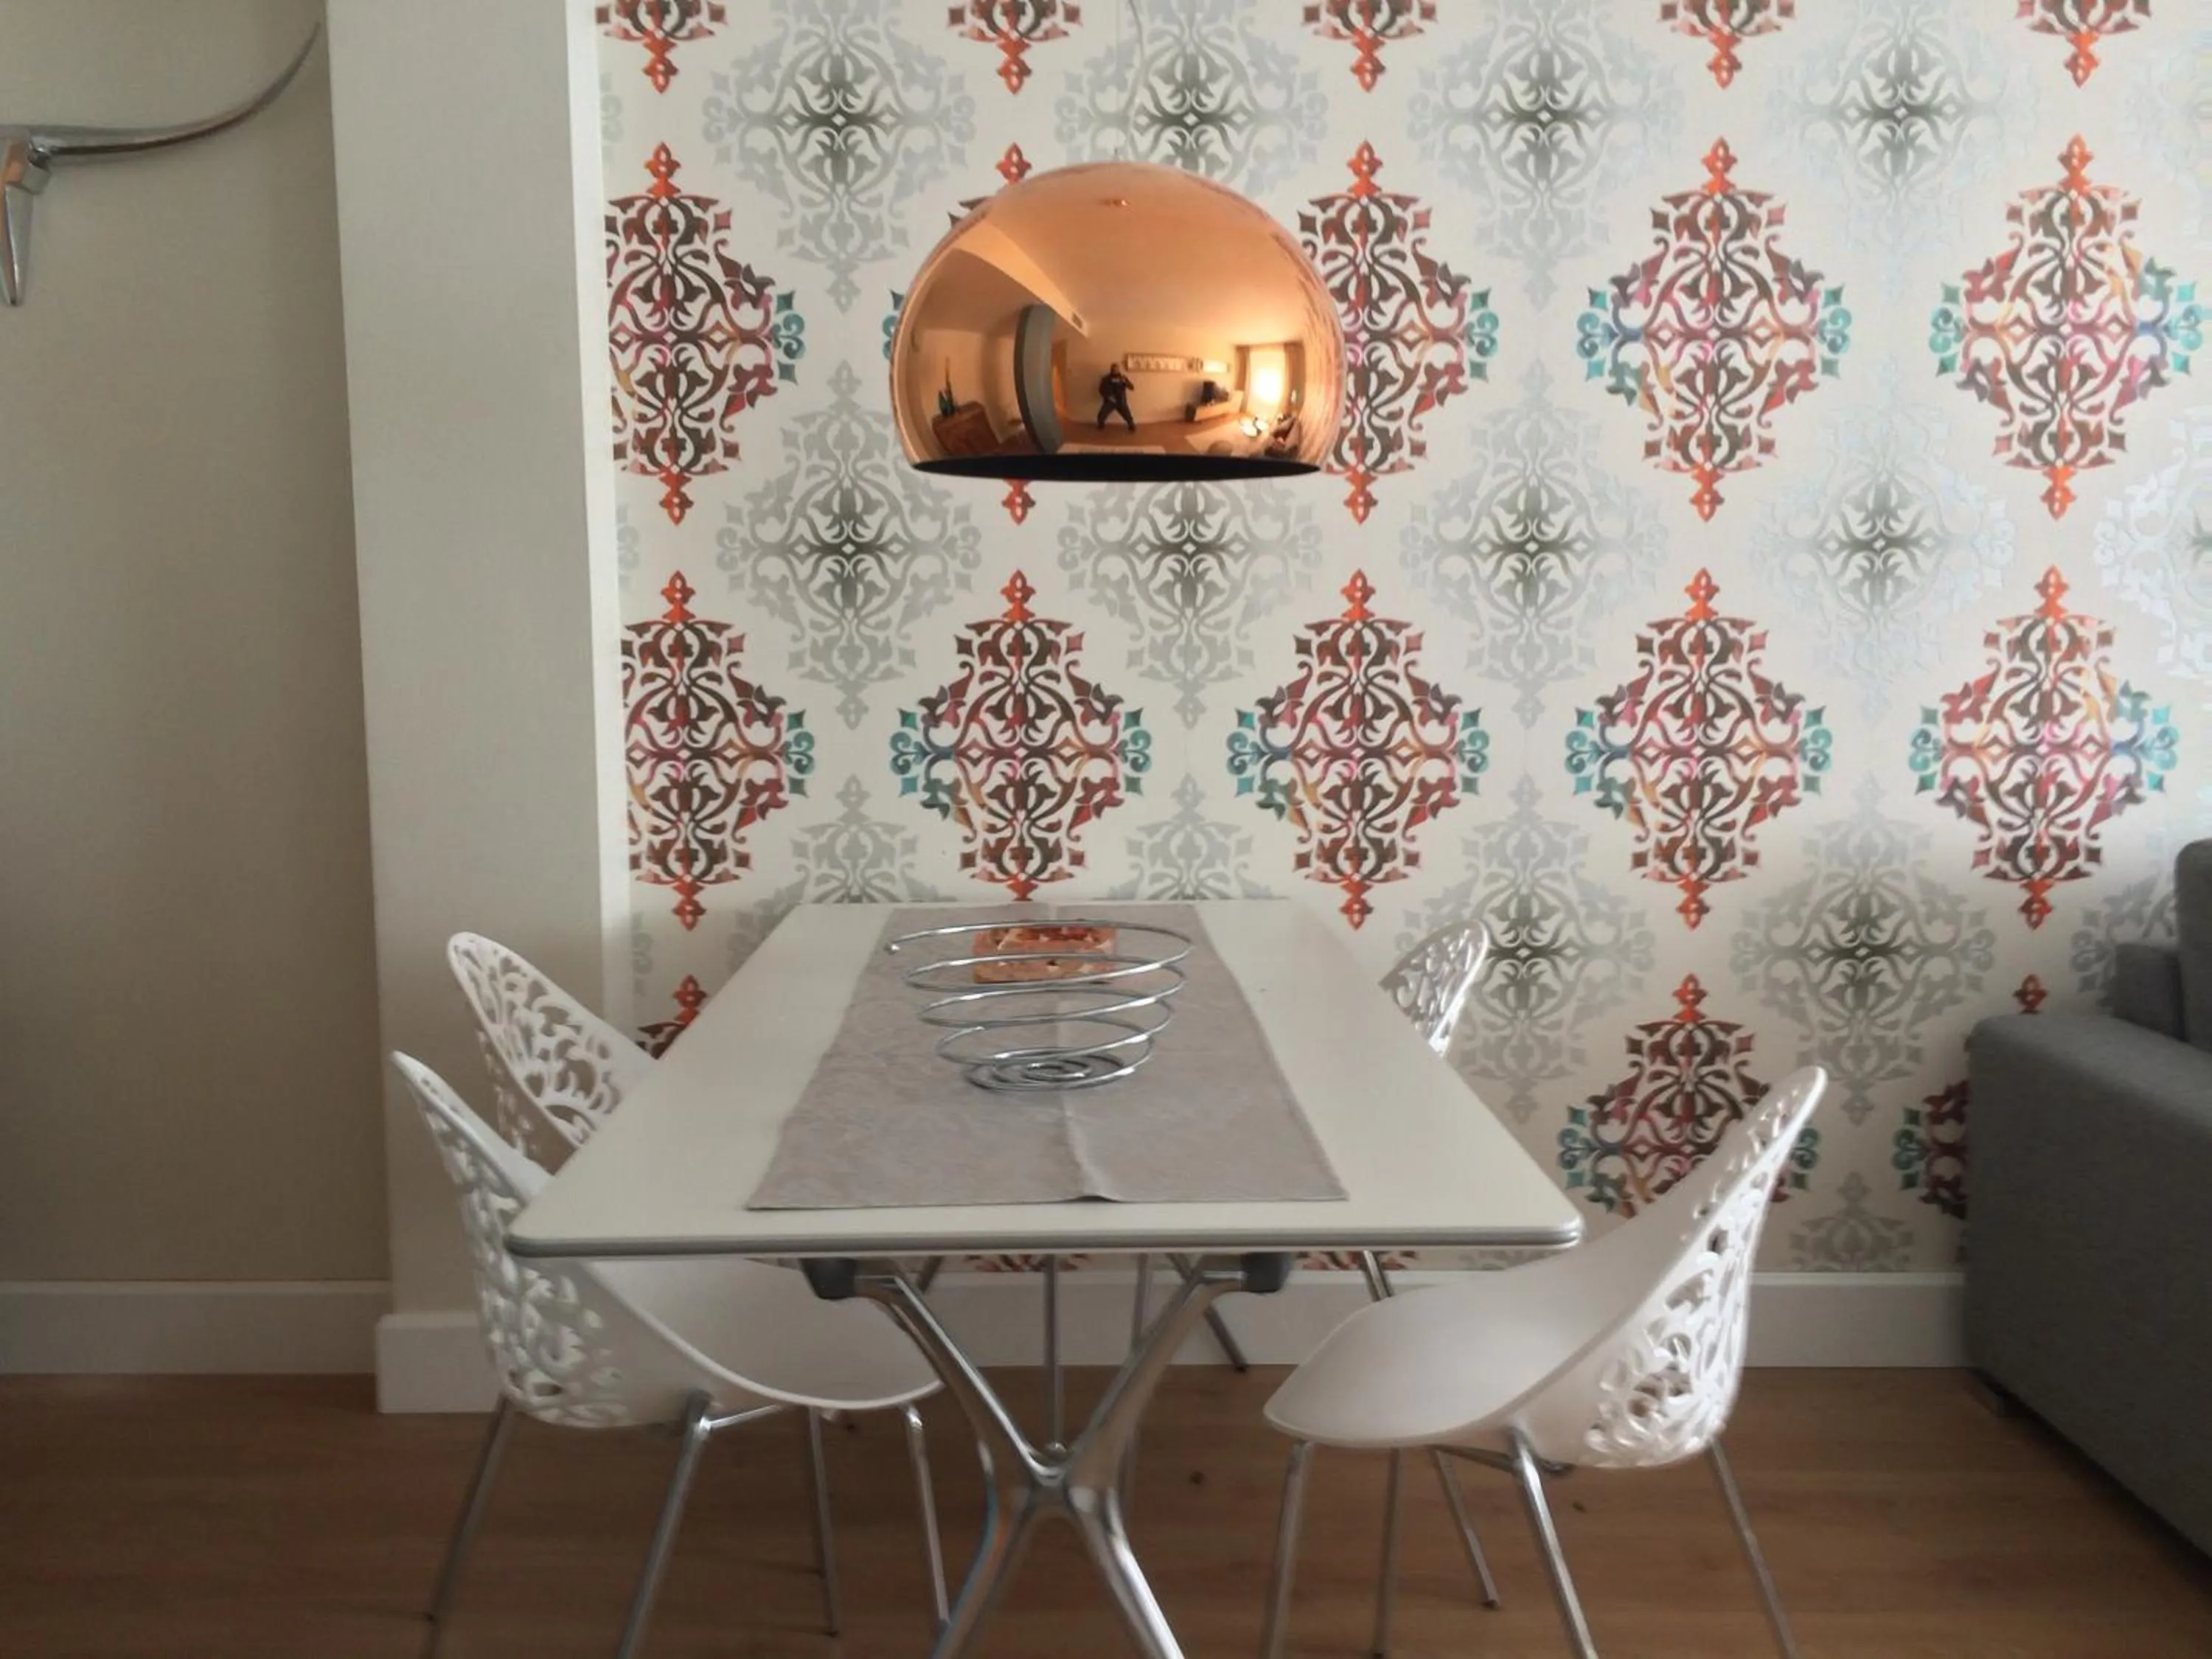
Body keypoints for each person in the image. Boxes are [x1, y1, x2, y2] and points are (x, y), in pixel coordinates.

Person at [1096, 361, 1136, 431]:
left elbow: (1132, 387)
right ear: (1111, 370)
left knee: (1127, 415)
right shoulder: (1106, 379)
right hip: (1110, 401)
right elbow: (1101, 390)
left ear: (1119, 370)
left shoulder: (1123, 378)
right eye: (1114, 370)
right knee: (1102, 415)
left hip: (1121, 401)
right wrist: (1108, 397)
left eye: (1117, 370)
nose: (1115, 371)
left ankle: (1131, 426)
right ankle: (1101, 425)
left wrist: (1125, 382)